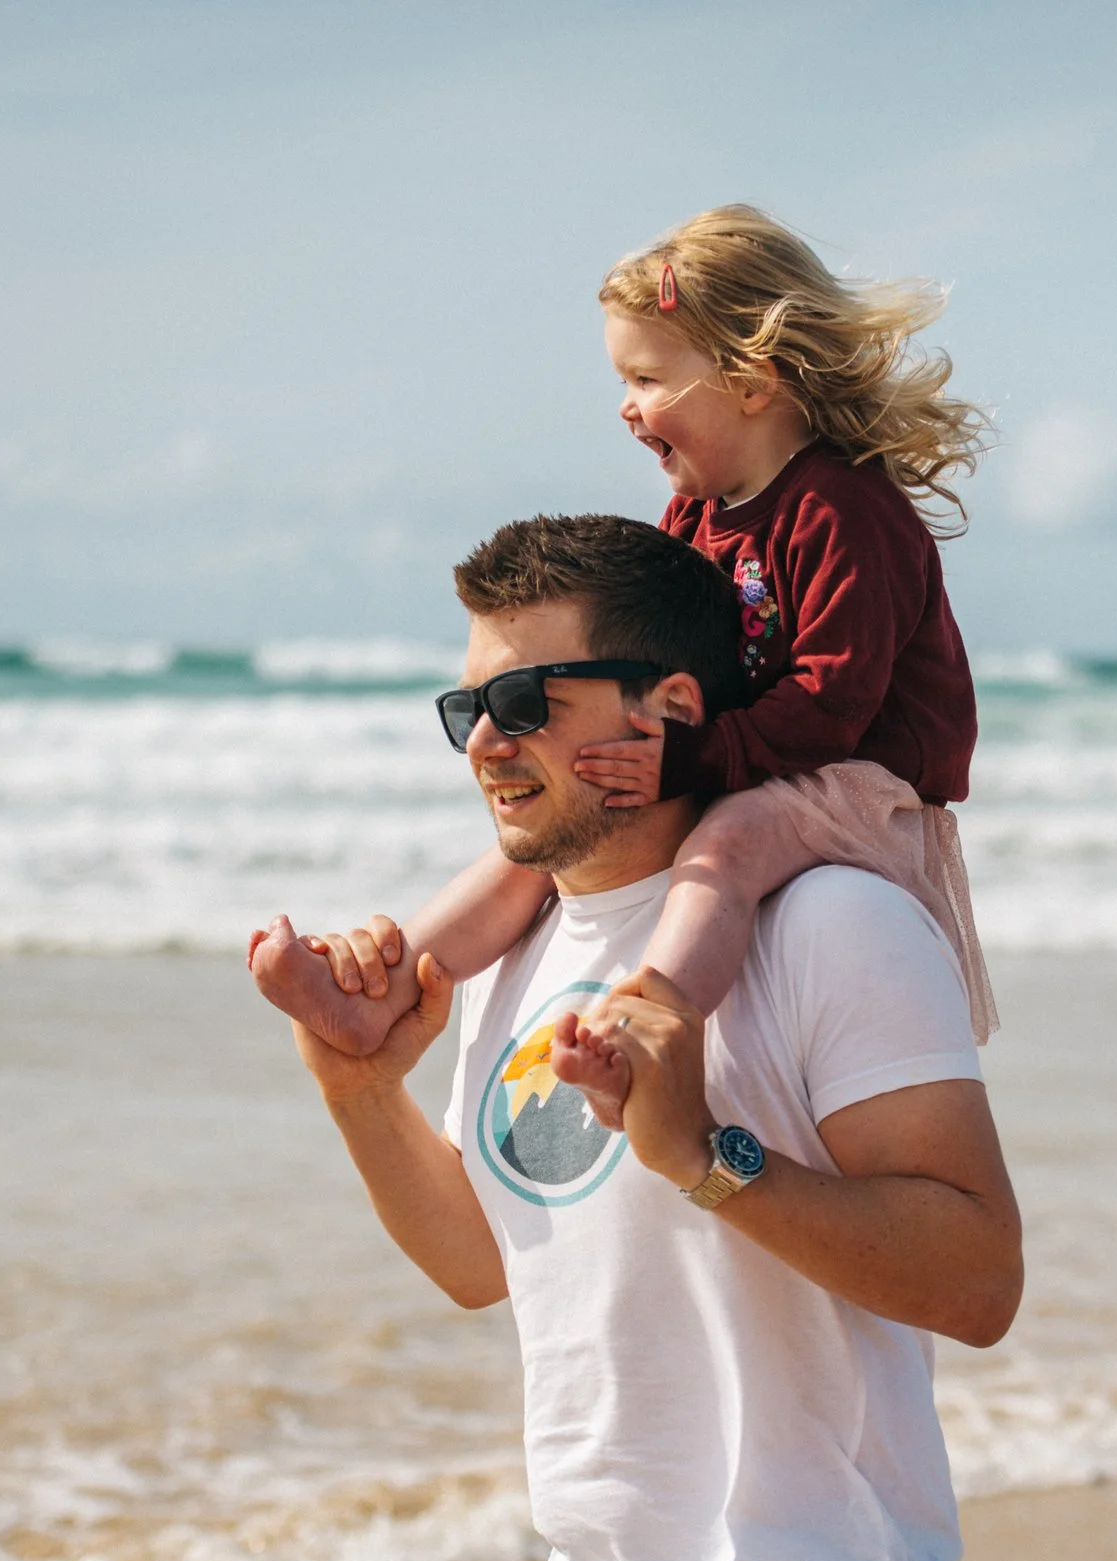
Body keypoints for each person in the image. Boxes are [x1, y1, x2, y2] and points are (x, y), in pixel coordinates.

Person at [248, 514, 1021, 1561]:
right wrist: (358, 1090)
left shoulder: (831, 921)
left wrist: (704, 1158)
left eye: (527, 702)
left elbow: (978, 1279)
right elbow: (483, 1262)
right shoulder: (511, 949)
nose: (485, 744)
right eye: (468, 709)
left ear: (670, 706)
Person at [258, 205, 996, 1123]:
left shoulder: (845, 510)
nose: (626, 405)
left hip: (858, 783)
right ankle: (384, 989)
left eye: (647, 377)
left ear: (751, 378)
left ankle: (655, 1022)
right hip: (747, 759)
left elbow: (832, 701)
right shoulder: (693, 517)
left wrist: (685, 758)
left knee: (728, 844)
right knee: (564, 828)